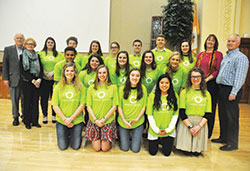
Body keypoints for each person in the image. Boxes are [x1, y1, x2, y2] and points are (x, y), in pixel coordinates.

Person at [213, 34, 249, 151]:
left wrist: (234, 92)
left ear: (238, 43)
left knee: (231, 117)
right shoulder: (227, 56)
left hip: (231, 90)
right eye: (228, 41)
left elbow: (240, 77)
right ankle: (223, 137)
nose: (230, 43)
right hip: (222, 89)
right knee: (223, 115)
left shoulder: (241, 57)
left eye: (233, 41)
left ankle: (232, 143)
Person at [175, 67, 211, 156]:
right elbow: (182, 112)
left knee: (197, 153)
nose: (195, 79)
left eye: (198, 76)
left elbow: (208, 114)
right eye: (193, 77)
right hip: (187, 122)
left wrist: (198, 127)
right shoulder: (184, 92)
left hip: (200, 123)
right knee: (186, 152)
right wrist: (190, 127)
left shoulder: (207, 94)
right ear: (190, 79)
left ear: (202, 78)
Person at [52, 62, 85, 150]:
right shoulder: (58, 87)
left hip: (76, 120)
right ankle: (68, 133)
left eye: (72, 71)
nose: (69, 73)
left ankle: (73, 133)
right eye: (67, 71)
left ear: (75, 73)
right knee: (62, 147)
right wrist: (65, 119)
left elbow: (82, 105)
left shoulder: (80, 87)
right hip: (62, 121)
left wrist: (71, 119)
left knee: (75, 147)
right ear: (63, 73)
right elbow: (55, 105)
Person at [195, 34, 223, 138]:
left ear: (215, 43)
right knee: (199, 106)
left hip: (211, 84)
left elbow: (217, 70)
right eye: (208, 40)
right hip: (199, 83)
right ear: (206, 42)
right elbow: (196, 67)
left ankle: (208, 133)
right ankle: (198, 129)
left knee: (209, 108)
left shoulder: (218, 54)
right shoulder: (201, 54)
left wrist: (206, 79)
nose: (210, 42)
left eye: (213, 40)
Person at [86, 65, 118, 152]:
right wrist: (96, 120)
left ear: (107, 74)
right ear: (97, 74)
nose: (102, 75)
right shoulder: (91, 88)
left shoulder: (113, 87)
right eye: (100, 73)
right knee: (96, 149)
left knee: (104, 149)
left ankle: (107, 139)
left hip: (107, 121)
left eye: (104, 72)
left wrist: (104, 119)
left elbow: (114, 106)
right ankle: (100, 137)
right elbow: (88, 106)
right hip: (94, 121)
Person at [147, 74, 178, 156]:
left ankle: (163, 140)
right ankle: (158, 140)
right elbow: (149, 115)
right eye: (162, 83)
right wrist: (156, 129)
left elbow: (175, 115)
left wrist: (168, 130)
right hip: (155, 129)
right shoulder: (152, 96)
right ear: (158, 84)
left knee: (167, 153)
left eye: (167, 83)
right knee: (153, 152)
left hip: (168, 129)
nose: (164, 85)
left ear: (170, 84)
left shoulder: (174, 96)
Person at [118, 68, 147, 153]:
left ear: (140, 77)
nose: (135, 78)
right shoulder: (121, 89)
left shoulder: (143, 89)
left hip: (138, 122)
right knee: (125, 148)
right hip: (124, 122)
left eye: (137, 76)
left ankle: (134, 136)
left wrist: (137, 119)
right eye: (132, 75)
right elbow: (119, 107)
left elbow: (143, 107)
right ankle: (125, 136)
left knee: (135, 150)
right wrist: (124, 120)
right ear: (129, 77)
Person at [38, 37, 64, 124]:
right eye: (48, 42)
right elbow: (39, 65)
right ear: (46, 43)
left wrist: (53, 73)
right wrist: (45, 73)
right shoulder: (41, 53)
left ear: (54, 44)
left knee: (55, 98)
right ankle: (45, 116)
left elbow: (60, 65)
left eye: (52, 42)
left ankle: (54, 115)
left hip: (55, 80)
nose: (50, 44)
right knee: (44, 98)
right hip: (44, 80)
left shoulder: (59, 54)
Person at [20, 38, 43, 129]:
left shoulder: (37, 55)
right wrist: (32, 81)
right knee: (27, 102)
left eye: (32, 44)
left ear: (34, 45)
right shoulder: (22, 56)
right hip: (27, 82)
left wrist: (40, 79)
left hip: (37, 81)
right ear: (25, 45)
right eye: (28, 44)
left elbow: (41, 68)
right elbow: (23, 71)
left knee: (35, 102)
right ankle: (27, 122)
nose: (30, 45)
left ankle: (35, 121)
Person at [2, 33, 25, 126]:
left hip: (24, 81)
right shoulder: (8, 49)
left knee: (24, 99)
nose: (19, 39)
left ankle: (24, 116)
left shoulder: (27, 49)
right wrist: (5, 78)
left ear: (23, 40)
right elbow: (5, 65)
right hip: (12, 79)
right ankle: (15, 117)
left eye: (21, 38)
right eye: (17, 38)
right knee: (14, 100)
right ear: (14, 39)